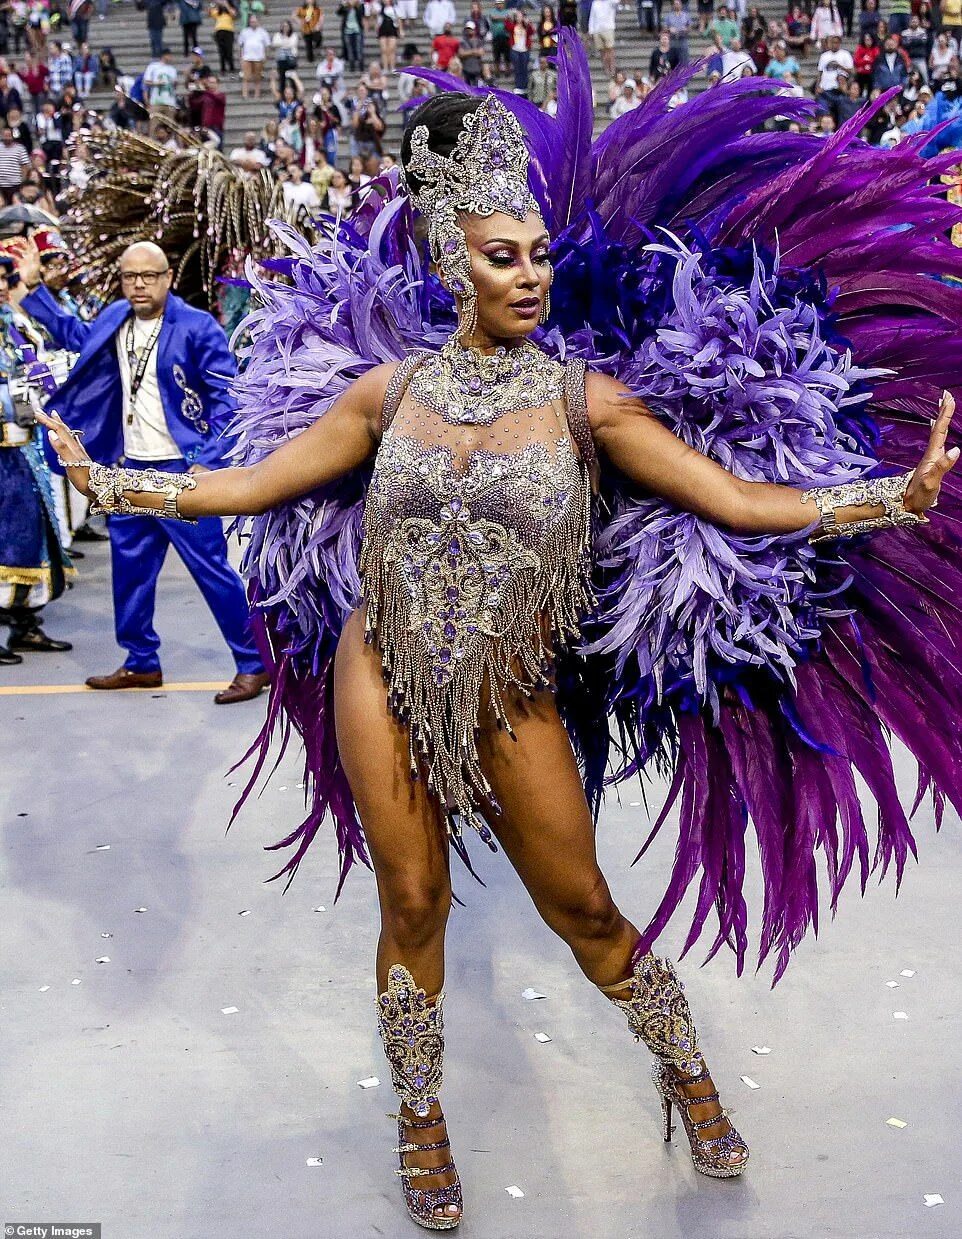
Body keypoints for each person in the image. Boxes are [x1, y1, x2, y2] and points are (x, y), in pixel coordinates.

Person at [40, 84, 962, 1232]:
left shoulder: (590, 405)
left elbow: (735, 500)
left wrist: (887, 498)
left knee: (579, 905)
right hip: (380, 669)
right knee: (412, 898)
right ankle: (421, 1121)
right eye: (499, 257)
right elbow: (247, 483)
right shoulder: (387, 395)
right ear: (450, 268)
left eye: (534, 256)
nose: (526, 275)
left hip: (510, 683)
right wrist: (111, 482)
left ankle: (682, 1068)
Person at [16, 239, 270, 703]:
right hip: (127, 468)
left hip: (179, 471)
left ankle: (254, 663)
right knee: (129, 570)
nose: (138, 284)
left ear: (168, 278)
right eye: (130, 276)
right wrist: (34, 288)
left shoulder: (196, 327)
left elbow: (227, 400)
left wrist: (206, 465)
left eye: (148, 275)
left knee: (211, 570)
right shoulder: (116, 317)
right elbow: (75, 334)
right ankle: (140, 662)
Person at [0, 252, 72, 664]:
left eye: (3, 279)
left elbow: (27, 369)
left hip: (20, 447)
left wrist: (38, 381)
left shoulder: (11, 325)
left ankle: (24, 624)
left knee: (29, 536)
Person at [237, 13, 271, 99]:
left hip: (259, 58)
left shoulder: (263, 32)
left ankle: (257, 95)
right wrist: (240, 57)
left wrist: (266, 57)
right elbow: (240, 45)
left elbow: (267, 46)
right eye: (251, 22)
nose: (253, 23)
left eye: (255, 21)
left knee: (257, 77)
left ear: (258, 22)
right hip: (247, 57)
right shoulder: (244, 31)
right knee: (246, 77)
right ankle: (245, 95)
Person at [0, 124, 29, 203]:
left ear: (12, 136)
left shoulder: (20, 148)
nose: (6, 137)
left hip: (15, 185)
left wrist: (23, 181)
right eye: (5, 135)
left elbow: (25, 166)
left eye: (8, 135)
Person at [209, 0, 237, 74]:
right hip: (219, 31)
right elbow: (211, 13)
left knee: (229, 51)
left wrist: (226, 5)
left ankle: (231, 68)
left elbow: (234, 15)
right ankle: (223, 69)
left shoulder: (231, 9)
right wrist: (216, 4)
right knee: (221, 51)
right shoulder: (218, 11)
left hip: (229, 31)